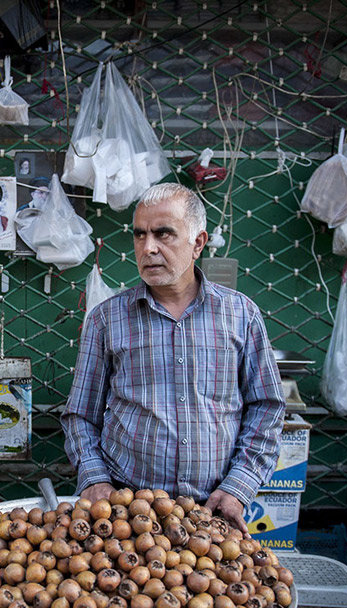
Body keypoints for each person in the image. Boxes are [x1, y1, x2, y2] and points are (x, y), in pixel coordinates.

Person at [61, 182, 284, 534]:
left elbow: (266, 407)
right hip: (124, 515)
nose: (148, 248)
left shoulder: (241, 315)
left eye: (163, 234)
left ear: (198, 243)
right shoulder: (108, 318)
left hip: (210, 512)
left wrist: (238, 486)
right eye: (139, 236)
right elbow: (80, 414)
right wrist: (94, 478)